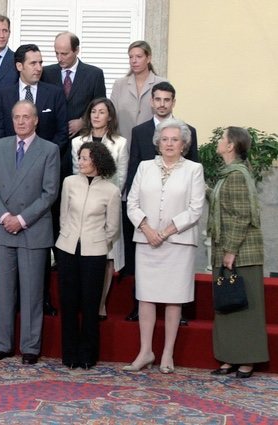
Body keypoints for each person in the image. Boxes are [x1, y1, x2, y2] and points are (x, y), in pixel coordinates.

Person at [124, 118, 205, 373]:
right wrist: (148, 230)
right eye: (165, 139)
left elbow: (195, 209)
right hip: (147, 241)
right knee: (145, 297)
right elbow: (132, 204)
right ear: (157, 143)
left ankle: (167, 353)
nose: (169, 143)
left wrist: (166, 232)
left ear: (184, 144)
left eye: (175, 140)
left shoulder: (194, 169)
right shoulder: (145, 167)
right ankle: (145, 351)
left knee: (174, 298)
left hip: (178, 243)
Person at [0, 43, 68, 316]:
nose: (40, 67)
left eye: (40, 62)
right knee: (4, 287)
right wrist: (4, 214)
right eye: (34, 63)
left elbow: (62, 134)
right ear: (19, 66)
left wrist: (41, 159)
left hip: (41, 183)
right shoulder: (2, 95)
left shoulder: (54, 94)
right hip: (8, 193)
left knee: (34, 285)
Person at [0, 100, 59, 365]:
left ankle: (30, 346)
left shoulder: (49, 150)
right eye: (16, 117)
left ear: (36, 120)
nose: (21, 122)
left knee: (32, 293)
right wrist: (5, 216)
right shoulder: (0, 145)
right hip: (4, 229)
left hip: (33, 230)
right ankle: (3, 344)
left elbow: (50, 192)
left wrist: (22, 219)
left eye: (26, 117)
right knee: (3, 292)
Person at [123, 81, 199, 321]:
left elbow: (194, 198)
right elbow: (134, 170)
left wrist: (165, 231)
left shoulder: (189, 135)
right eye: (158, 99)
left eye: (167, 100)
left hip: (176, 233)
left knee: (176, 292)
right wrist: (145, 226)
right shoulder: (140, 132)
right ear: (151, 101)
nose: (162, 104)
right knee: (145, 291)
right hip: (147, 225)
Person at [208, 126, 268, 379]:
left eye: (222, 139)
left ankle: (247, 360)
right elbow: (226, 204)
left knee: (245, 308)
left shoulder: (236, 175)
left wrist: (230, 250)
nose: (219, 143)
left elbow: (242, 215)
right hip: (229, 250)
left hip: (242, 253)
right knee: (228, 307)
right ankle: (231, 358)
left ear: (231, 146)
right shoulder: (228, 174)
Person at [56, 142, 120, 369]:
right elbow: (63, 216)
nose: (80, 162)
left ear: (97, 161)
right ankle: (69, 354)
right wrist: (69, 237)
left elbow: (112, 228)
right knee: (69, 303)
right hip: (67, 249)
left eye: (85, 158)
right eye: (79, 157)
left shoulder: (111, 191)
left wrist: (96, 241)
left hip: (94, 253)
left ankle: (88, 355)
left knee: (91, 305)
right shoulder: (69, 182)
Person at [70, 98, 128, 319]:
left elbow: (120, 176)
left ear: (109, 116)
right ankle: (83, 301)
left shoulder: (120, 143)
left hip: (108, 204)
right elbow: (77, 173)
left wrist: (105, 199)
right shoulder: (78, 142)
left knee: (106, 255)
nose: (96, 116)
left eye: (101, 112)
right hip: (83, 207)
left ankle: (101, 304)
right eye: (93, 111)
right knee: (82, 253)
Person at [41, 31, 106, 139]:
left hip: (83, 139)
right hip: (53, 139)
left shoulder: (94, 74)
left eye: (64, 54)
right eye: (57, 53)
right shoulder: (46, 73)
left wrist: (83, 122)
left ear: (76, 50)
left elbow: (101, 105)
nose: (59, 58)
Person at [110, 40, 167, 143]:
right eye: (131, 57)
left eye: (138, 57)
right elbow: (112, 115)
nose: (134, 61)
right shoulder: (119, 84)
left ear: (148, 58)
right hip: (124, 143)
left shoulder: (161, 83)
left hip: (153, 143)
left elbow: (166, 115)